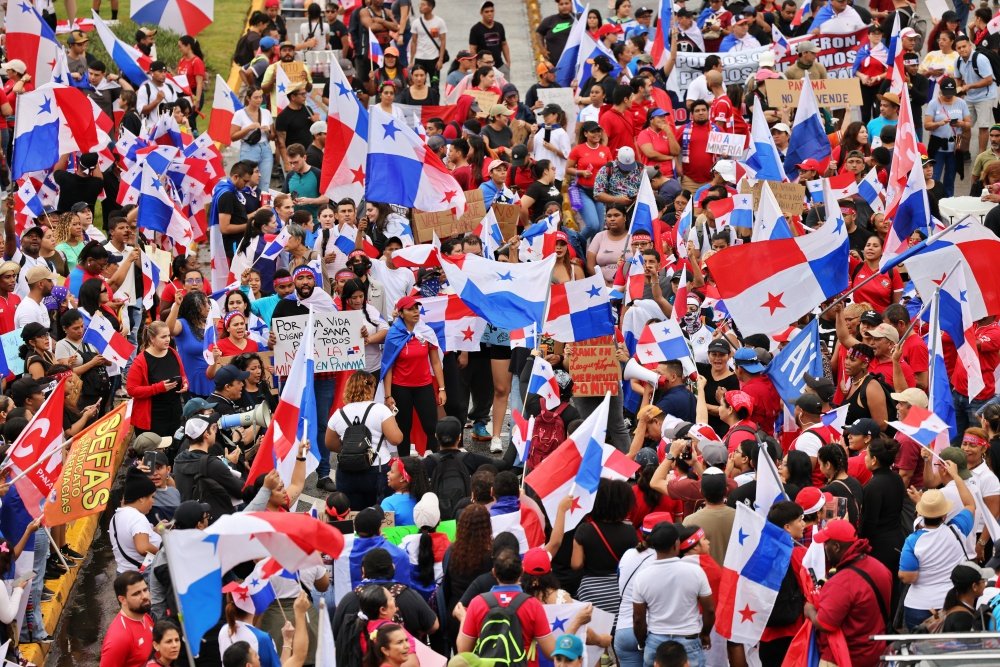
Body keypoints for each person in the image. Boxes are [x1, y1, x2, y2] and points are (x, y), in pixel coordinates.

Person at [899, 457, 978, 630]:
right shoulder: (956, 530)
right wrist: (956, 476)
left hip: (918, 605)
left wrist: (922, 502)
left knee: (917, 651)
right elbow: (970, 504)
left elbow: (907, 576)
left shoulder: (913, 539)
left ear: (921, 512)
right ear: (944, 515)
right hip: (948, 604)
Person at [805, 520, 893, 667]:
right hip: (876, 650)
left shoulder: (841, 583)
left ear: (836, 547)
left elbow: (825, 624)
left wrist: (810, 610)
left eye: (826, 544)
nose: (824, 549)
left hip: (847, 656)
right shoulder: (880, 567)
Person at [632, 521, 714, 667]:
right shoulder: (695, 571)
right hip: (689, 640)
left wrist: (642, 641)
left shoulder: (641, 577)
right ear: (676, 544)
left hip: (655, 641)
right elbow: (709, 610)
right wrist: (705, 633)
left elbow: (638, 618)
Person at [456, 549, 556, 661]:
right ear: (521, 572)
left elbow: (463, 652)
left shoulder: (477, 603)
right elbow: (552, 652)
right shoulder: (533, 605)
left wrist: (464, 618)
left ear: (494, 572)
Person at [382, 296, 445, 456]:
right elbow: (388, 366)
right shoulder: (394, 334)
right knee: (404, 427)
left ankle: (437, 463)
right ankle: (404, 466)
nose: (416, 312)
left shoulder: (426, 332)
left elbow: (436, 362)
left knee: (431, 426)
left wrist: (442, 388)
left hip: (423, 386)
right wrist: (388, 395)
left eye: (416, 308)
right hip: (401, 388)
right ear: (401, 313)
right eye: (410, 309)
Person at [126, 321, 187, 438]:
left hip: (174, 413)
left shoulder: (173, 352)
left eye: (168, 335)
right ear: (152, 339)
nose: (168, 339)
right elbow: (132, 390)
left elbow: (182, 375)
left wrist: (184, 383)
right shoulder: (140, 361)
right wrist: (158, 388)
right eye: (163, 336)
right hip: (153, 418)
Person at [99, 571, 154, 667]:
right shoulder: (118, 638)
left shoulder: (145, 616)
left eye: (145, 590)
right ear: (122, 600)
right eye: (136, 594)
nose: (144, 596)